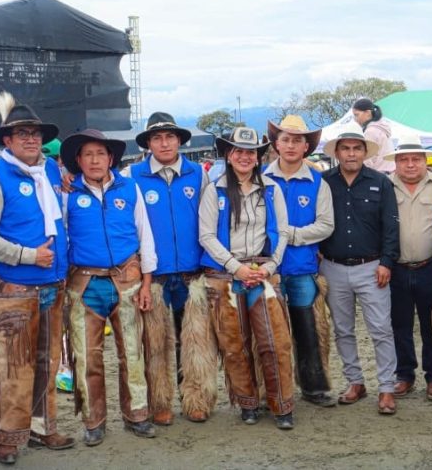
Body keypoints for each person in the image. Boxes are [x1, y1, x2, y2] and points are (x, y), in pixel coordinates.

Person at [0, 94, 74, 464]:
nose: (31, 139)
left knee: (47, 361)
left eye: (35, 133)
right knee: (12, 368)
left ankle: (42, 428)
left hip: (53, 284)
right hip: (16, 286)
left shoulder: (50, 172)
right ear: (7, 140)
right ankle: (6, 439)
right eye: (22, 134)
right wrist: (28, 255)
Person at [60, 129, 158, 446]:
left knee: (132, 351)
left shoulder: (129, 188)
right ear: (78, 160)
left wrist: (146, 282)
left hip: (127, 278)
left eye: (100, 154)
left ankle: (137, 414)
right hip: (84, 283)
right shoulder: (67, 192)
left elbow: (144, 234)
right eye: (87, 154)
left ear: (110, 158)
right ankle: (94, 421)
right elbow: (61, 236)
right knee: (87, 356)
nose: (94, 160)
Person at [199, 127, 297, 429]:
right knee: (234, 343)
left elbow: (282, 232)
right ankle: (247, 403)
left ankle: (282, 404)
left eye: (250, 152)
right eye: (238, 151)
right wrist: (235, 267)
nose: (244, 157)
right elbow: (206, 236)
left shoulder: (271, 189)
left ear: (258, 157)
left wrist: (271, 266)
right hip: (226, 274)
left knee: (275, 341)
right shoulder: (214, 190)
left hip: (262, 269)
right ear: (229, 155)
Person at [125, 112, 217, 425]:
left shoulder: (198, 174)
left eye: (170, 137)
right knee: (155, 343)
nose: (164, 143)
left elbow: (209, 221)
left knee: (196, 343)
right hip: (154, 276)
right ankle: (159, 402)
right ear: (148, 143)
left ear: (179, 141)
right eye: (157, 138)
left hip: (192, 273)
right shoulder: (132, 176)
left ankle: (196, 399)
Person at [319, 123, 401, 415]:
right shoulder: (324, 183)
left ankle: (387, 388)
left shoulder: (381, 182)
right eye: (345, 148)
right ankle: (355, 382)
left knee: (380, 329)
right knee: (343, 330)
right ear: (337, 152)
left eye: (356, 148)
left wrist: (387, 262)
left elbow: (391, 226)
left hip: (372, 267)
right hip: (333, 266)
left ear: (365, 152)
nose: (351, 153)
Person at [262, 115, 337, 407]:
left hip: (301, 267)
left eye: (297, 140)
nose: (291, 145)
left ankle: (313, 387)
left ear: (306, 147)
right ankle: (270, 392)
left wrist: (289, 235)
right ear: (276, 144)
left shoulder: (318, 182)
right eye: (285, 140)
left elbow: (326, 225)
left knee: (307, 331)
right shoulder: (261, 179)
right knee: (267, 333)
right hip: (266, 269)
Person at [384, 133, 432, 401]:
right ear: (396, 162)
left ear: (424, 160)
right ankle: (404, 375)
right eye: (404, 159)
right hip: (396, 268)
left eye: (416, 159)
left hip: (430, 265)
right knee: (399, 324)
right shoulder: (385, 185)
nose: (410, 164)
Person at [352, 98, 394, 173]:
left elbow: (367, 160)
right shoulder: (382, 128)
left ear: (368, 113)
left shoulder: (371, 132)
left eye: (357, 115)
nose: (355, 119)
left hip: (378, 174)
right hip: (389, 173)